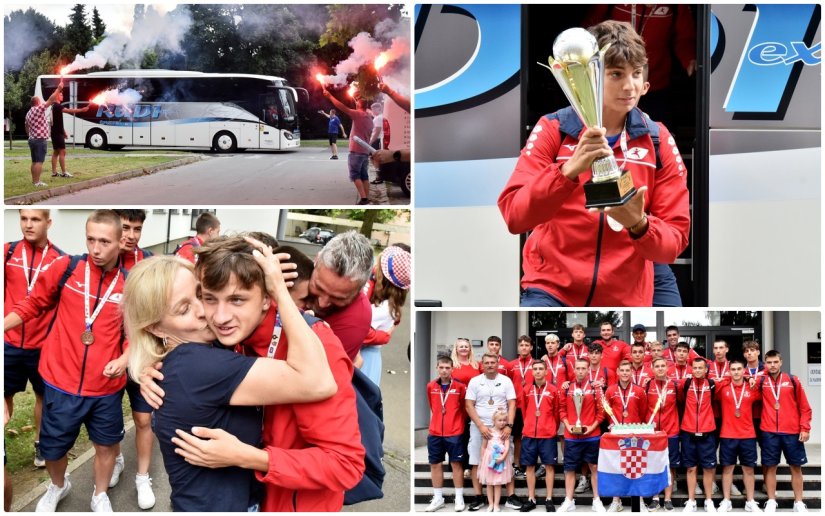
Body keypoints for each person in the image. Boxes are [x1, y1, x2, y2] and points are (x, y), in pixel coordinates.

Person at [141, 236, 366, 511]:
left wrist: (252, 458)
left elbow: (347, 466)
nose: (219, 317)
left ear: (266, 298)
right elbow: (165, 334)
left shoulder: (315, 350)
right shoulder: (230, 337)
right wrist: (150, 369)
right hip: (249, 498)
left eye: (237, 300)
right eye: (208, 298)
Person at [499, 20, 690, 307]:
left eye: (636, 74)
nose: (629, 86)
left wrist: (639, 225)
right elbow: (515, 216)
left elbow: (674, 241)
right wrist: (567, 172)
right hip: (553, 287)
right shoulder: (553, 128)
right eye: (616, 74)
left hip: (627, 290)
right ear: (591, 76)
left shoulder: (657, 138)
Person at [4, 210, 128, 512]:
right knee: (53, 449)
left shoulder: (130, 283)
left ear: (121, 241)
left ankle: (99, 494)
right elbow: (33, 303)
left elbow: (135, 333)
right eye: (90, 240)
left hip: (106, 387)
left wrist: (125, 358)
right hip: (60, 382)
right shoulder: (67, 267)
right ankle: (58, 485)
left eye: (104, 242)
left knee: (106, 446)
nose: (96, 249)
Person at [4, 209, 65, 469]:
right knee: (4, 395)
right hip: (9, 342)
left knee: (43, 397)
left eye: (35, 219)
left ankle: (40, 442)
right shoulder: (7, 252)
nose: (28, 225)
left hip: (41, 346)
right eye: (23, 219)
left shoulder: (59, 260)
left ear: (48, 222)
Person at [111, 209, 156, 508]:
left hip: (140, 358)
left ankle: (143, 477)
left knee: (142, 419)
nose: (130, 235)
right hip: (108, 362)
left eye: (136, 228)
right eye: (125, 227)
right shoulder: (99, 261)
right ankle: (115, 459)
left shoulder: (150, 262)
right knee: (110, 421)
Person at [465, 354, 521, 511]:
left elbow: (512, 404)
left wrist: (509, 426)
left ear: (498, 364)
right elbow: (469, 405)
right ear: (482, 364)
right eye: (486, 363)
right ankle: (479, 496)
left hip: (502, 427)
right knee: (477, 460)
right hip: (479, 427)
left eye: (492, 362)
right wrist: (481, 426)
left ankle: (510, 496)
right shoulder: (475, 381)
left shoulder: (505, 381)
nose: (490, 365)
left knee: (507, 460)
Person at [307, 230, 374, 361]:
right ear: (316, 260)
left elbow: (317, 375)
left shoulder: (357, 318)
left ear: (360, 289)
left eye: (338, 298)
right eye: (318, 287)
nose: (322, 303)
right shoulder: (293, 272)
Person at [759, 350, 812, 512]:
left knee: (796, 467)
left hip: (791, 432)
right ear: (765, 364)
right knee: (770, 467)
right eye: (769, 362)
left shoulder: (792, 380)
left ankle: (798, 502)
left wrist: (805, 427)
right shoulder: (761, 381)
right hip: (769, 432)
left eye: (775, 362)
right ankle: (771, 500)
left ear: (781, 362)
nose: (773, 365)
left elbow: (804, 407)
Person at [558, 358, 606, 512]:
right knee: (570, 469)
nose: (580, 371)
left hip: (592, 436)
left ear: (588, 370)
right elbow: (561, 410)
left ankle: (596, 500)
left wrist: (591, 428)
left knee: (594, 466)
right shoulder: (567, 388)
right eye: (578, 368)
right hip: (572, 436)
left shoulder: (595, 388)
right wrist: (568, 425)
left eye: (583, 368)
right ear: (574, 369)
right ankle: (569, 500)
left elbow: (601, 413)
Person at [360, 245, 411, 386]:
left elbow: (359, 330)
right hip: (368, 356)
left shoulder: (384, 308)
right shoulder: (388, 304)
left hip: (364, 357)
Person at [717, 361, 762, 513]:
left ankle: (750, 501)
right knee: (727, 469)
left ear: (744, 371)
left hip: (748, 435)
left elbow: (765, 377)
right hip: (727, 434)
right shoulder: (723, 388)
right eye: (733, 369)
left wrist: (750, 378)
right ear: (729, 372)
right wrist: (725, 379)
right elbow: (713, 385)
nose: (736, 372)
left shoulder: (752, 387)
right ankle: (726, 500)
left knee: (749, 470)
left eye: (739, 369)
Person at [603, 360, 647, 512]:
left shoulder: (640, 391)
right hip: (616, 435)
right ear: (618, 372)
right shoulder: (610, 390)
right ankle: (616, 500)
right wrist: (611, 424)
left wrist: (635, 427)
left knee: (637, 466)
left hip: (635, 435)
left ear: (631, 372)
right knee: (617, 467)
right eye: (622, 370)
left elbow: (643, 412)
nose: (625, 373)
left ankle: (639, 500)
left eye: (628, 370)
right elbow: (607, 410)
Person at [425, 355, 468, 512]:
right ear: (437, 368)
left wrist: (456, 423)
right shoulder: (431, 386)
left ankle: (459, 497)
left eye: (447, 368)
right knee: (435, 464)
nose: (444, 370)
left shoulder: (460, 387)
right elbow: (433, 407)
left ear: (452, 369)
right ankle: (438, 498)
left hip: (455, 432)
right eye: (441, 367)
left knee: (456, 464)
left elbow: (464, 409)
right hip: (435, 432)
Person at [321, 85, 374, 204]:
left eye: (357, 101)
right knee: (364, 176)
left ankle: (364, 198)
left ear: (358, 105)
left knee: (355, 175)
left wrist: (330, 96)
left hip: (356, 152)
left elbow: (342, 107)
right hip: (365, 153)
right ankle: (366, 198)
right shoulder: (370, 119)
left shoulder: (357, 114)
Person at [518, 360, 559, 512]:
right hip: (529, 434)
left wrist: (550, 427)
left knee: (549, 466)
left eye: (541, 369)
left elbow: (556, 413)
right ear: (532, 371)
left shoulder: (553, 390)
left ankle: (549, 498)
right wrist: (528, 424)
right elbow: (524, 410)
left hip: (547, 434)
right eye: (535, 369)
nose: (538, 371)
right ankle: (531, 498)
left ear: (546, 371)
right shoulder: (526, 389)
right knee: (529, 467)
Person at [678, 358, 717, 513]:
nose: (698, 370)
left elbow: (734, 379)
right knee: (691, 469)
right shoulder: (685, 384)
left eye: (701, 368)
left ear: (706, 369)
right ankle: (691, 501)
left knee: (708, 468)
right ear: (691, 369)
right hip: (688, 431)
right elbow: (680, 400)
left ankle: (708, 501)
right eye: (695, 368)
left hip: (707, 431)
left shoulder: (712, 384)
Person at [645, 357, 680, 512]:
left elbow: (683, 404)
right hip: (653, 432)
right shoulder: (647, 385)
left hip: (671, 431)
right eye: (657, 366)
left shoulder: (675, 385)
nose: (660, 368)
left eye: (662, 366)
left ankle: (668, 498)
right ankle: (655, 497)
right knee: (653, 465)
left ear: (667, 368)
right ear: (652, 369)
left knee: (670, 466)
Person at [508, 335, 535, 478]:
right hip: (517, 406)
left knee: (532, 436)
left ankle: (531, 464)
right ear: (518, 348)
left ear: (531, 347)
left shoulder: (536, 364)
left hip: (533, 406)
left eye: (527, 345)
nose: (524, 347)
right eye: (521, 345)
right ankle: (517, 464)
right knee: (517, 437)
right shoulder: (511, 365)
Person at [478, 409, 515, 512]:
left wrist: (503, 458)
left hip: (500, 460)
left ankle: (496, 504)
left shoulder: (504, 433)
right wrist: (482, 460)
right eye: (499, 420)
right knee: (489, 483)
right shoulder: (488, 432)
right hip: (489, 460)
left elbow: (507, 447)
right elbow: (483, 447)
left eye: (504, 420)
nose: (502, 422)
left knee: (498, 483)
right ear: (494, 420)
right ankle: (490, 504)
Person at [25, 87, 62, 187]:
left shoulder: (28, 113)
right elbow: (50, 100)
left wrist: (30, 136)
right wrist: (58, 89)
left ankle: (34, 181)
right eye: (40, 100)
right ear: (37, 102)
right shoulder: (38, 109)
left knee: (34, 161)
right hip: (40, 139)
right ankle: (37, 182)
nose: (41, 102)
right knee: (39, 161)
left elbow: (26, 126)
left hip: (32, 139)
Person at [49, 90, 90, 178]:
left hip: (55, 133)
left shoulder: (53, 106)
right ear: (56, 96)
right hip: (57, 134)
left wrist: (63, 132)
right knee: (62, 152)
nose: (62, 96)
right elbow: (68, 110)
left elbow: (56, 122)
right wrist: (81, 110)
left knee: (56, 152)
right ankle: (64, 172)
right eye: (61, 94)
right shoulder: (57, 106)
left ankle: (54, 172)